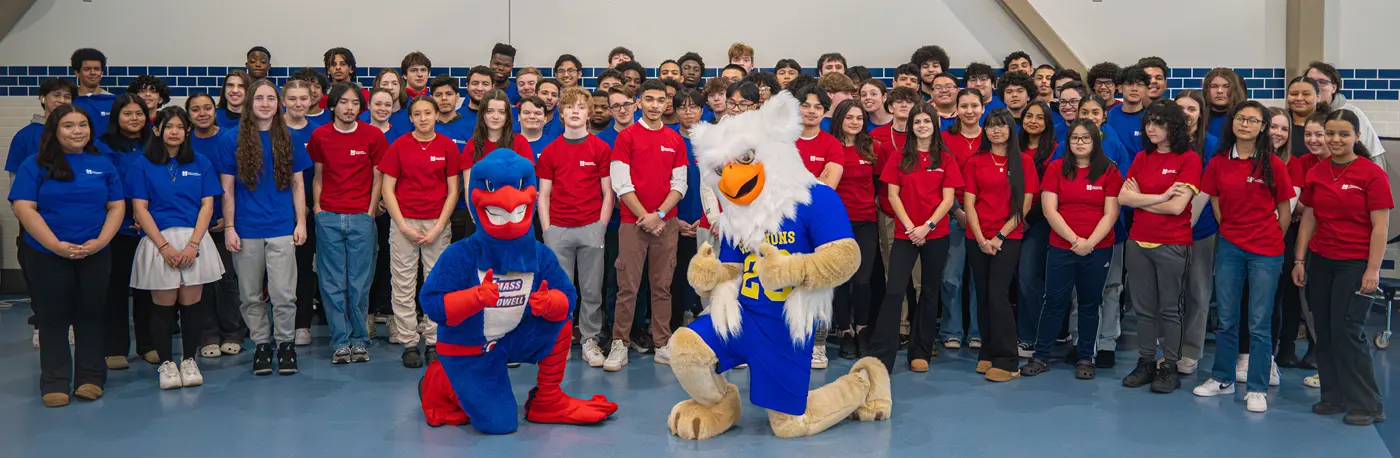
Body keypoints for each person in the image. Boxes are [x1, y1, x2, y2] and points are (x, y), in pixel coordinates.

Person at [12, 104, 125, 407]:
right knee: (53, 318)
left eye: (83, 125)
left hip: (94, 253)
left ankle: (90, 378)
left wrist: (101, 241)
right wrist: (55, 245)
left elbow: (116, 206)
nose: (77, 131)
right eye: (69, 126)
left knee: (90, 315)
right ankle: (55, 381)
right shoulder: (34, 164)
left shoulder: (102, 164)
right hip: (47, 254)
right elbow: (24, 208)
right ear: (55, 130)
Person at [1190, 100, 1293, 412]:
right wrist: (1231, 230)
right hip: (1231, 247)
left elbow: (1285, 210)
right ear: (1231, 123)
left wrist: (1272, 236)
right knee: (1227, 318)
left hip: (1267, 250)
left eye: (1252, 120)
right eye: (1240, 118)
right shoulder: (1219, 162)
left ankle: (1258, 386)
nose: (1245, 124)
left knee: (1259, 322)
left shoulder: (1272, 164)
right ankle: (1222, 378)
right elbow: (1214, 201)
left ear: (1262, 127)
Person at [1292, 109, 1391, 426]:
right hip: (1321, 261)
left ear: (1357, 136)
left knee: (1348, 332)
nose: (1335, 140)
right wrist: (1299, 259)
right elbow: (1309, 217)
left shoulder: (1371, 174)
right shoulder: (1318, 172)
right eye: (1329, 133)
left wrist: (1372, 271)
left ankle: (1368, 403)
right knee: (1325, 331)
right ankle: (1332, 396)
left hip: (1355, 264)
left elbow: (1380, 227)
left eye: (1343, 134)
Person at [217, 79, 313, 376]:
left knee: (284, 294)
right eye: (259, 98)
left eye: (271, 98)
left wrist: (301, 222)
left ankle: (285, 344)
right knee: (249, 295)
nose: (265, 104)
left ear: (279, 102)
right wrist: (230, 227)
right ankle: (261, 344)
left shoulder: (290, 138)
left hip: (282, 226)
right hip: (246, 229)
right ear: (250, 102)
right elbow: (227, 190)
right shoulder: (230, 139)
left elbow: (298, 184)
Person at [127, 106, 224, 389]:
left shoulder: (201, 163)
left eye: (180, 127)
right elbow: (140, 209)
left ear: (187, 131)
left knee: (192, 304)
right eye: (169, 126)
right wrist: (164, 246)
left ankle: (189, 360)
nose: (174, 132)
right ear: (157, 130)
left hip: (194, 240)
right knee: (164, 306)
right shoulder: (142, 164)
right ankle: (167, 364)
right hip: (160, 241)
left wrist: (194, 244)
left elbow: (208, 205)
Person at [1019, 119, 1120, 380]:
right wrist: (1075, 240)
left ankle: (1086, 357)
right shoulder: (1055, 168)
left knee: (1090, 303)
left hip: (1098, 248)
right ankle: (1041, 356)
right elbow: (1049, 209)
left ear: (1095, 141)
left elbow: (1111, 213)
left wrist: (1089, 243)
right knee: (1053, 301)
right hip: (1062, 246)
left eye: (1086, 138)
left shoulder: (1109, 170)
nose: (1080, 143)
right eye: (1075, 138)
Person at [1117, 100, 1201, 393]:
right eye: (1148, 122)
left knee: (1169, 309)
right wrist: (1160, 197)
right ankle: (1145, 361)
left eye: (1159, 123)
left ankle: (1170, 366)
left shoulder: (1188, 159)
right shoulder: (1142, 157)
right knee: (1143, 309)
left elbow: (1178, 208)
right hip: (1138, 241)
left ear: (1173, 126)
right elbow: (1123, 199)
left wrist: (1145, 198)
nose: (1151, 128)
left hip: (1172, 244)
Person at [869, 103, 960, 373]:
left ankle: (920, 351)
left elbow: (948, 199)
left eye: (926, 121)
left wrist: (927, 226)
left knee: (929, 292)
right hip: (905, 232)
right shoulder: (899, 157)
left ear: (935, 125)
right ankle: (881, 355)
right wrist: (910, 227)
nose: (922, 126)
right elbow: (893, 195)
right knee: (895, 290)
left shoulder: (946, 158)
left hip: (936, 233)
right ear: (911, 127)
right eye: (917, 121)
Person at [604, 80, 687, 371]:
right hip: (632, 223)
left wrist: (660, 215)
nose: (654, 105)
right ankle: (619, 344)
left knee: (662, 287)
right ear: (639, 102)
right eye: (649, 99)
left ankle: (663, 343)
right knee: (627, 287)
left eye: (660, 100)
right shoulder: (626, 137)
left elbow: (680, 185)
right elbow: (621, 184)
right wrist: (646, 217)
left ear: (667, 103)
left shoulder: (676, 140)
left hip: (666, 224)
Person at [309, 83, 388, 364]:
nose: (349, 108)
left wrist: (369, 211)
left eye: (355, 103)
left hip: (361, 218)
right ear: (333, 105)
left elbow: (379, 177)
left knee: (359, 283)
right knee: (332, 284)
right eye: (344, 102)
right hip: (328, 216)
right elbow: (318, 176)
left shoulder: (373, 136)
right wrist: (318, 209)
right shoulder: (320, 136)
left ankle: (359, 340)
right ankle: (340, 342)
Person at [378, 96, 460, 369]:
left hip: (437, 222)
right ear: (410, 118)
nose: (423, 118)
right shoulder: (400, 145)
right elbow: (387, 189)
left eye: (428, 113)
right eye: (417, 114)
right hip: (405, 222)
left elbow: (453, 191)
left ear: (437, 115)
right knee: (403, 283)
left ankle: (435, 341)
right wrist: (402, 225)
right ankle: (409, 342)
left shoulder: (447, 146)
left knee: (436, 283)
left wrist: (438, 226)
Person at [537, 86, 615, 368]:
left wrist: (601, 226)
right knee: (560, 290)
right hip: (558, 230)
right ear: (561, 114)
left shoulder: (600, 148)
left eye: (581, 107)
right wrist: (547, 230)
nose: (575, 111)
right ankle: (560, 340)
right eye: (570, 107)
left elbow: (609, 193)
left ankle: (590, 340)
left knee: (592, 290)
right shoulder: (550, 151)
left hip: (591, 228)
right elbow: (543, 195)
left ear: (589, 113)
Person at [963, 108, 1036, 382]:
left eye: (1002, 126)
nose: (996, 131)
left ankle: (1008, 361)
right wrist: (981, 239)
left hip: (1008, 238)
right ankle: (988, 352)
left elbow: (1024, 205)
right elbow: (969, 203)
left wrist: (999, 237)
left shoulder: (1024, 162)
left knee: (998, 295)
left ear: (1011, 130)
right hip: (977, 238)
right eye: (991, 126)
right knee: (982, 295)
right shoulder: (975, 161)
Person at [96, 94, 155, 370]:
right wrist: (130, 212)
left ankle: (149, 344)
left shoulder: (154, 143)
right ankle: (115, 347)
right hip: (118, 228)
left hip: (151, 228)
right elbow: (108, 184)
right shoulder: (103, 146)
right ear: (116, 117)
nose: (135, 119)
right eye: (128, 114)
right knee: (116, 289)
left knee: (148, 287)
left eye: (139, 113)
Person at [186, 93, 244, 357]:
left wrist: (227, 219)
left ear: (215, 111)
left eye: (207, 108)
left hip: (225, 221)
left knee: (227, 280)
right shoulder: (184, 142)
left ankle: (233, 331)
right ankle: (207, 334)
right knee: (200, 281)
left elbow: (234, 184)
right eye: (196, 109)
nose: (202, 113)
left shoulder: (230, 138)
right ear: (188, 114)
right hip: (193, 224)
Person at [828, 100, 878, 360]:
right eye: (849, 117)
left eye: (859, 118)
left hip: (866, 221)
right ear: (840, 119)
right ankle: (844, 331)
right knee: (840, 280)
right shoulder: (830, 147)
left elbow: (881, 184)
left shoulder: (870, 147)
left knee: (862, 279)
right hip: (836, 223)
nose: (855, 122)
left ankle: (862, 328)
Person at [1176, 89, 1221, 375]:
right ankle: (1169, 347)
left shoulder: (1214, 145)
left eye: (1191, 109)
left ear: (1200, 114)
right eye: (1180, 108)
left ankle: (1191, 351)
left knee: (1197, 291)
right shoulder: (1163, 144)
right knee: (1169, 293)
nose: (1185, 114)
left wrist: (1190, 220)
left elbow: (1210, 189)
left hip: (1201, 229)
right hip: (1166, 229)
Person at [939, 89, 985, 350]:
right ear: (956, 109)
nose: (969, 111)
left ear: (982, 109)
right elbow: (942, 179)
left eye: (974, 106)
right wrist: (958, 211)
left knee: (979, 278)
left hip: (985, 216)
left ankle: (978, 331)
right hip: (953, 214)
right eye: (964, 106)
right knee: (951, 276)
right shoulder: (945, 140)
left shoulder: (991, 138)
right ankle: (951, 330)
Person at [460, 89, 534, 241]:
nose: (495, 116)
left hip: (513, 217)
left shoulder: (519, 142)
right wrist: (475, 215)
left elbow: (528, 186)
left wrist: (519, 218)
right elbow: (469, 186)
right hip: (481, 215)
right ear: (482, 115)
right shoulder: (472, 145)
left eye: (501, 112)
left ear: (507, 116)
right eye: (490, 111)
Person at [1014, 101, 1057, 357]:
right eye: (1028, 116)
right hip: (1008, 221)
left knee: (1028, 277)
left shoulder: (1053, 150)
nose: (1032, 121)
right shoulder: (1013, 148)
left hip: (1037, 222)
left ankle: (1033, 336)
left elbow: (1048, 191)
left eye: (1039, 118)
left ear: (1047, 123)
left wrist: (1027, 219)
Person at [283, 81, 323, 345]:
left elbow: (322, 175)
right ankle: (279, 324)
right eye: (293, 98)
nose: (298, 103)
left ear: (311, 101)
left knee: (304, 269)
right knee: (278, 272)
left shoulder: (318, 133)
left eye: (303, 98)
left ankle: (302, 324)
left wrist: (307, 206)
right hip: (277, 208)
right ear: (283, 100)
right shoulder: (275, 131)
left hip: (308, 209)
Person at [1306, 62, 1386, 168]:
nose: (1315, 86)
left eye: (1322, 82)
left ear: (1334, 88)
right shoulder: (1300, 114)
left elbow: (1374, 155)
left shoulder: (1352, 114)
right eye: (1310, 82)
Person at [6, 78, 75, 175]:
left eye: (67, 96)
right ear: (43, 99)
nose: (62, 100)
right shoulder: (24, 136)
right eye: (56, 95)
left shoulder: (77, 133)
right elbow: (16, 177)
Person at [793, 85, 844, 188]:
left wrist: (791, 179)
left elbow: (830, 184)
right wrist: (817, 179)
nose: (811, 111)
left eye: (818, 107)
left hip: (819, 202)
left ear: (824, 113)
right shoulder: (783, 140)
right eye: (805, 106)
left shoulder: (832, 144)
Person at [69, 48, 115, 138]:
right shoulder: (69, 100)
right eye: (87, 69)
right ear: (77, 73)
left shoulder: (114, 101)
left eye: (97, 69)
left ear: (102, 72)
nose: (93, 73)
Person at [1106, 65, 1151, 152]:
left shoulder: (1151, 117)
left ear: (1146, 90)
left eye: (1140, 85)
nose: (1134, 89)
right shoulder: (1110, 115)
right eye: (1129, 84)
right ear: (1119, 88)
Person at [429, 75, 473, 147]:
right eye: (438, 95)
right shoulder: (425, 127)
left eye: (449, 94)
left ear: (457, 97)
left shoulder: (471, 127)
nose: (444, 98)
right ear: (431, 99)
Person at [1202, 67, 1245, 139]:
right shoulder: (1198, 116)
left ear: (1235, 90)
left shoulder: (1245, 118)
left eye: (1226, 86)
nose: (1219, 91)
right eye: (1214, 86)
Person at [1286, 77, 1321, 158]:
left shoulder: (1328, 123)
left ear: (1318, 97)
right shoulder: (1279, 124)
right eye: (1294, 94)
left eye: (1306, 94)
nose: (1299, 98)